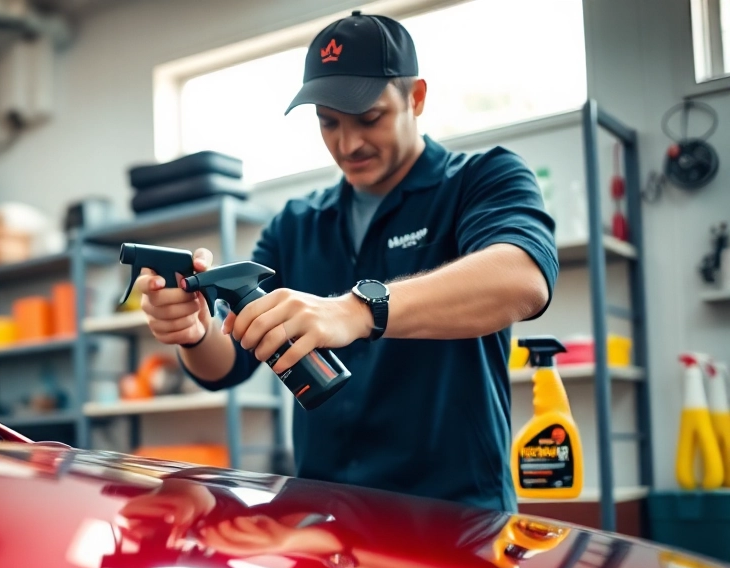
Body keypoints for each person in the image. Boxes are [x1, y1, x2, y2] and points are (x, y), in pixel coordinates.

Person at [138, 11, 558, 510]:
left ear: (416, 98)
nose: (348, 143)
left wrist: (356, 311)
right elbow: (227, 364)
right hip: (322, 521)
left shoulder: (482, 179)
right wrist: (193, 331)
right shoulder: (296, 224)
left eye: (369, 118)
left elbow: (522, 279)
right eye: (328, 122)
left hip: (455, 517)